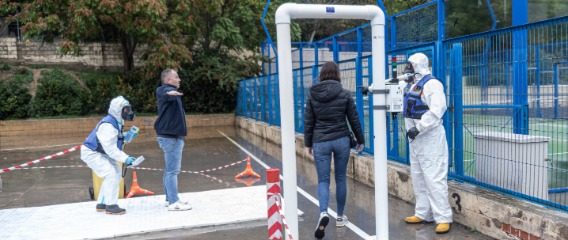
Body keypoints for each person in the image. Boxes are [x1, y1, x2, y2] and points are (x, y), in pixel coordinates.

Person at [391, 52, 453, 234]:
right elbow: (391, 86)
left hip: (430, 138)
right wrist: (371, 88)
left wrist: (419, 127)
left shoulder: (432, 84)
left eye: (410, 65)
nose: (407, 68)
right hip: (415, 139)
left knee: (434, 178)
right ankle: (423, 213)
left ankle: (443, 217)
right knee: (418, 176)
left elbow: (437, 110)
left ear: (418, 65)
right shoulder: (410, 84)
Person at [304, 61, 365, 239]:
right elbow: (353, 118)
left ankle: (323, 212)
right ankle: (339, 217)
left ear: (321, 75)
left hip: (320, 141)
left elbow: (309, 121)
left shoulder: (312, 94)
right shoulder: (344, 93)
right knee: (340, 178)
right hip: (341, 140)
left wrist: (308, 143)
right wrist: (360, 140)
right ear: (337, 74)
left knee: (323, 180)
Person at [81, 95, 137, 215]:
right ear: (118, 110)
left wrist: (126, 136)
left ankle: (102, 203)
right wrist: (125, 158)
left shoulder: (116, 121)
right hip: (92, 152)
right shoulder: (108, 125)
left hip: (101, 152)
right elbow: (110, 149)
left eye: (128, 109)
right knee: (110, 173)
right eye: (126, 110)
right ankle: (111, 205)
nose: (128, 112)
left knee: (116, 172)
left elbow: (113, 138)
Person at [154, 69, 191, 211]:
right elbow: (166, 93)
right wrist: (171, 93)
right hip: (170, 138)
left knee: (169, 170)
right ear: (168, 80)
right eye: (176, 77)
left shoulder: (170, 92)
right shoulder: (164, 91)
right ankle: (173, 202)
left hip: (171, 136)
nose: (179, 79)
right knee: (172, 171)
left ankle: (169, 198)